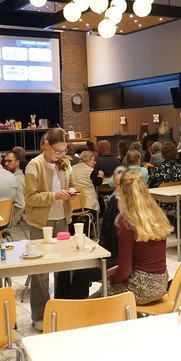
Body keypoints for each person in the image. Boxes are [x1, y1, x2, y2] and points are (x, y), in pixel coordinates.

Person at [88, 169, 170, 304]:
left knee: (92, 303)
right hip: (160, 284)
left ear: (121, 192)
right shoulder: (157, 214)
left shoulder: (125, 221)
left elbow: (125, 271)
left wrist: (110, 278)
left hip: (139, 288)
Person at [24, 128, 77, 330]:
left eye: (64, 151)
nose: (60, 154)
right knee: (40, 271)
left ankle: (62, 310)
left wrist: (72, 192)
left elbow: (73, 185)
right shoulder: (34, 165)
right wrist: (54, 196)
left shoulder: (65, 163)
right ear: (46, 144)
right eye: (57, 150)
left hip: (62, 219)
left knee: (63, 268)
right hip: (41, 222)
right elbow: (30, 198)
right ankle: (40, 315)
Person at [70, 150, 102, 228]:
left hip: (72, 204)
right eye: (93, 160)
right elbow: (97, 182)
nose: (95, 162)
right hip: (87, 204)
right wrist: (101, 176)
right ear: (87, 160)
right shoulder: (90, 171)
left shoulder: (72, 168)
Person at [3, 149, 26, 228]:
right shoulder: (20, 176)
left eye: (9, 161)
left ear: (17, 162)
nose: (6, 163)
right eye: (5, 161)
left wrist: (6, 222)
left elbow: (20, 205)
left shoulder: (16, 180)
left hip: (10, 223)